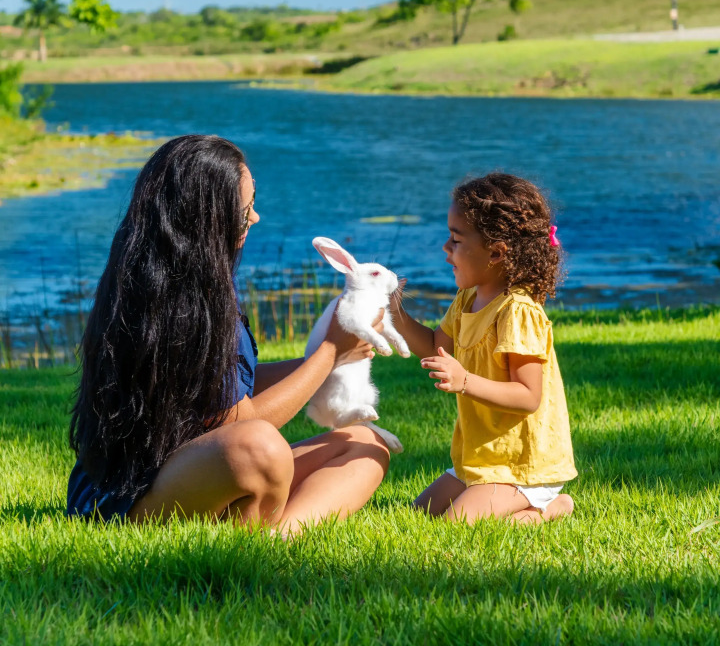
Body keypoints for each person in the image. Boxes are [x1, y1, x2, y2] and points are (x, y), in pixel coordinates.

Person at [67, 134, 390, 534]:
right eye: (244, 211)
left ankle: (277, 536)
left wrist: (334, 359)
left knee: (364, 444)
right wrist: (328, 351)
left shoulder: (186, 276)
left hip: (194, 467)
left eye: (253, 205)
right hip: (125, 496)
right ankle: (252, 534)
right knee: (260, 446)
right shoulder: (179, 299)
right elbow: (238, 421)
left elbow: (230, 384)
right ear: (205, 218)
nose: (254, 219)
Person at [390, 172, 576, 524]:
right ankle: (515, 501)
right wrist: (395, 312)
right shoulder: (467, 299)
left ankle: (551, 506)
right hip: (484, 458)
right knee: (420, 514)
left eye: (456, 240)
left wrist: (465, 381)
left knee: (456, 524)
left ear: (495, 252)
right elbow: (433, 345)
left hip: (523, 464)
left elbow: (528, 395)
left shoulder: (517, 311)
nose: (446, 248)